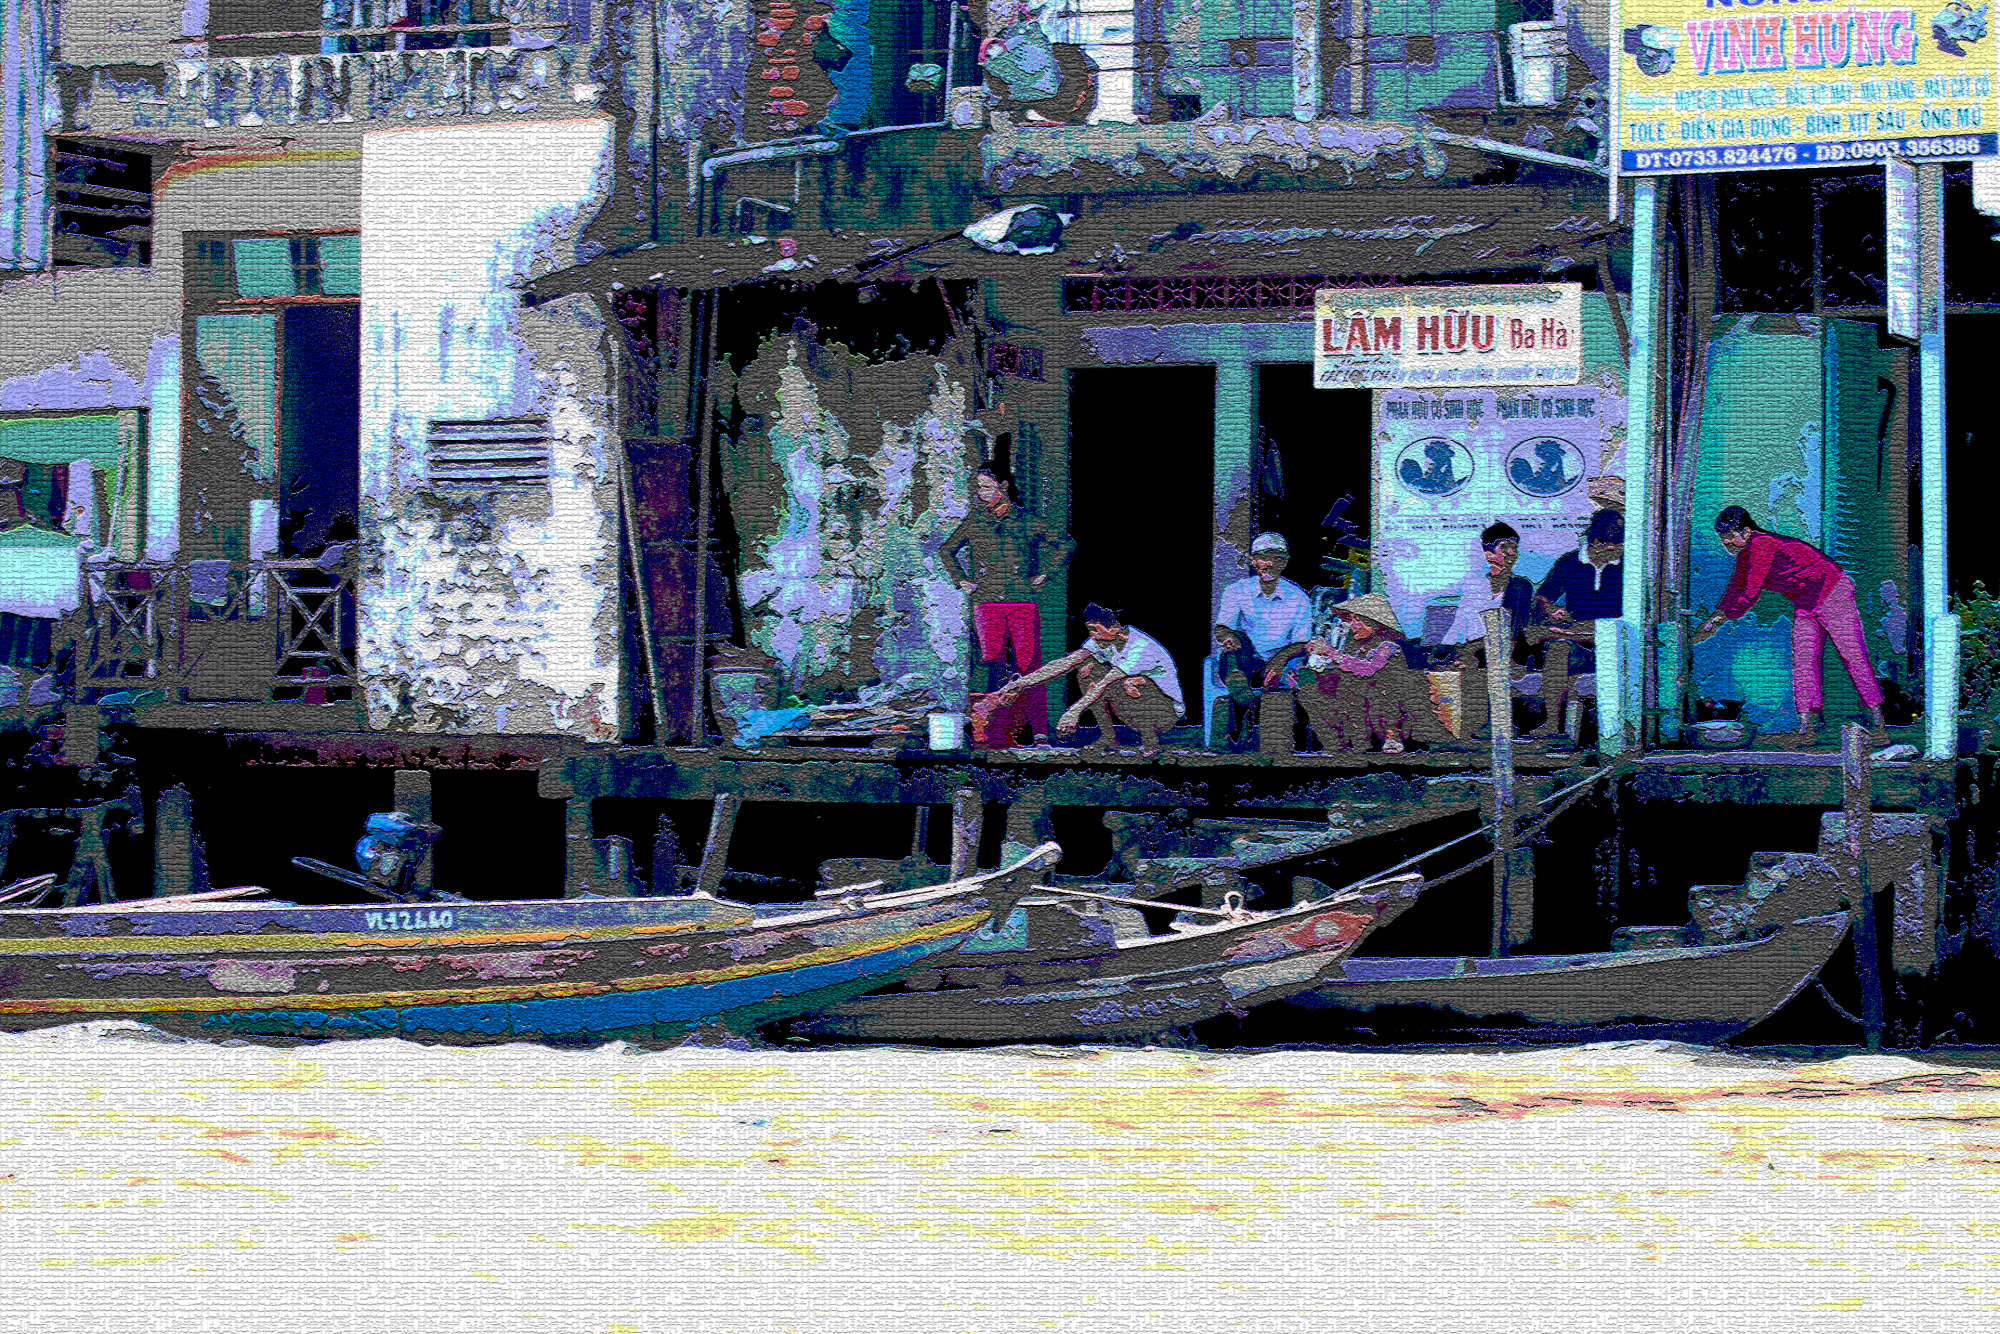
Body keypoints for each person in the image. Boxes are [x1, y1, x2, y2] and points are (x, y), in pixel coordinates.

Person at [1693, 505, 1887, 749]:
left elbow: (1751, 591)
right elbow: (1735, 587)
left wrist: (1720, 620)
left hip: (1833, 592)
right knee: (1803, 664)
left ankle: (1880, 727)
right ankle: (1806, 730)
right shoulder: (1745, 554)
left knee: (1853, 656)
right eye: (1723, 538)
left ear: (1746, 532)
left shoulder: (1763, 546)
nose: (1726, 543)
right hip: (1805, 604)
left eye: (1730, 536)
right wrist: (1714, 618)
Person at [942, 465, 1075, 746]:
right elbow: (947, 549)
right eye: (979, 488)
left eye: (987, 487)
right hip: (987, 603)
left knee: (1030, 667)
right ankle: (993, 733)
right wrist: (962, 581)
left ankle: (1039, 732)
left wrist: (1045, 574)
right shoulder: (976, 521)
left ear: (1003, 486)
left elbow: (1065, 544)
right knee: (992, 665)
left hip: (1021, 602)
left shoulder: (1025, 521)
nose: (981, 493)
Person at [990, 603, 1182, 756]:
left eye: (1095, 630)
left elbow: (1106, 682)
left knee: (1128, 682)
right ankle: (1109, 738)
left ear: (1115, 629)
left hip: (1163, 714)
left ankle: (1150, 742)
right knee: (1086, 670)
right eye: (1090, 630)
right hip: (1132, 707)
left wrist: (1073, 712)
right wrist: (1020, 684)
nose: (1092, 635)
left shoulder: (1140, 649)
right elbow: (1064, 664)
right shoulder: (1103, 641)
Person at [1292, 593, 1438, 755]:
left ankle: (1392, 738)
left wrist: (1331, 653)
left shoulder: (1388, 647)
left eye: (1357, 620)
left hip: (1385, 709)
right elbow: (1340, 675)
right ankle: (1335, 744)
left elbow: (1368, 670)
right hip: (1356, 709)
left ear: (1374, 623)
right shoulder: (1353, 648)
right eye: (1351, 620)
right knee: (1309, 693)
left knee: (1379, 686)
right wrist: (1318, 661)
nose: (1352, 625)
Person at [1524, 507, 1625, 740]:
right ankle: (1552, 724)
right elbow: (1542, 598)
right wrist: (1552, 610)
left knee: (1569, 637)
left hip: (1613, 639)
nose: (1620, 550)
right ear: (1598, 543)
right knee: (1558, 650)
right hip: (1580, 641)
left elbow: (1633, 616)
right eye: (1615, 545)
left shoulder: (1626, 567)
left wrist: (1562, 631)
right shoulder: (1570, 562)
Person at [1210, 532, 1315, 748]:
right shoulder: (1236, 591)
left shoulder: (1298, 598)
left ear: (1284, 562)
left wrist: (1279, 661)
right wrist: (1228, 638)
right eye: (1262, 558)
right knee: (1235, 646)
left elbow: (1302, 642)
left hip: (1281, 661)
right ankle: (1239, 688)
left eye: (1276, 558)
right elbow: (1221, 628)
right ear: (1252, 561)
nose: (1268, 564)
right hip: (1246, 660)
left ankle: (1246, 710)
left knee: (1299, 678)